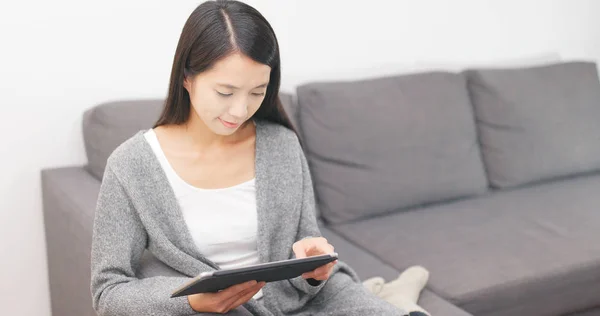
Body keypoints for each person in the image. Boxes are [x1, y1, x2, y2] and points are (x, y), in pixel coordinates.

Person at [90, 1, 413, 315]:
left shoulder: (281, 145)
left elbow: (306, 245)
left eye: (258, 92)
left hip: (302, 303)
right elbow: (109, 292)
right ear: (187, 78)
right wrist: (191, 302)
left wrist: (313, 265)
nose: (240, 110)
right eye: (226, 92)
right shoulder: (132, 165)